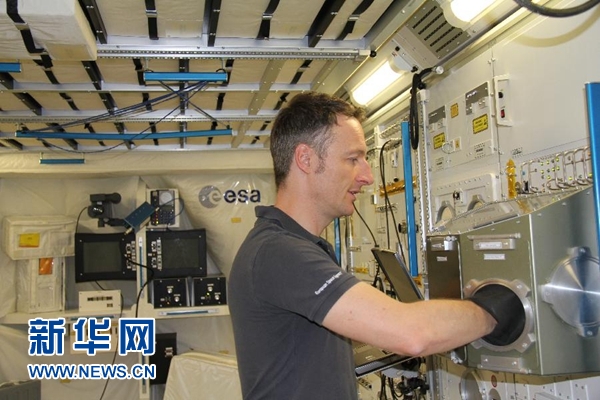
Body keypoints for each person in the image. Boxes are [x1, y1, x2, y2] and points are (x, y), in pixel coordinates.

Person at [228, 91, 520, 400]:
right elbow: (411, 334)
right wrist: (501, 307)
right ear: (306, 159)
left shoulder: (294, 246)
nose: (367, 176)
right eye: (352, 159)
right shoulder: (279, 253)